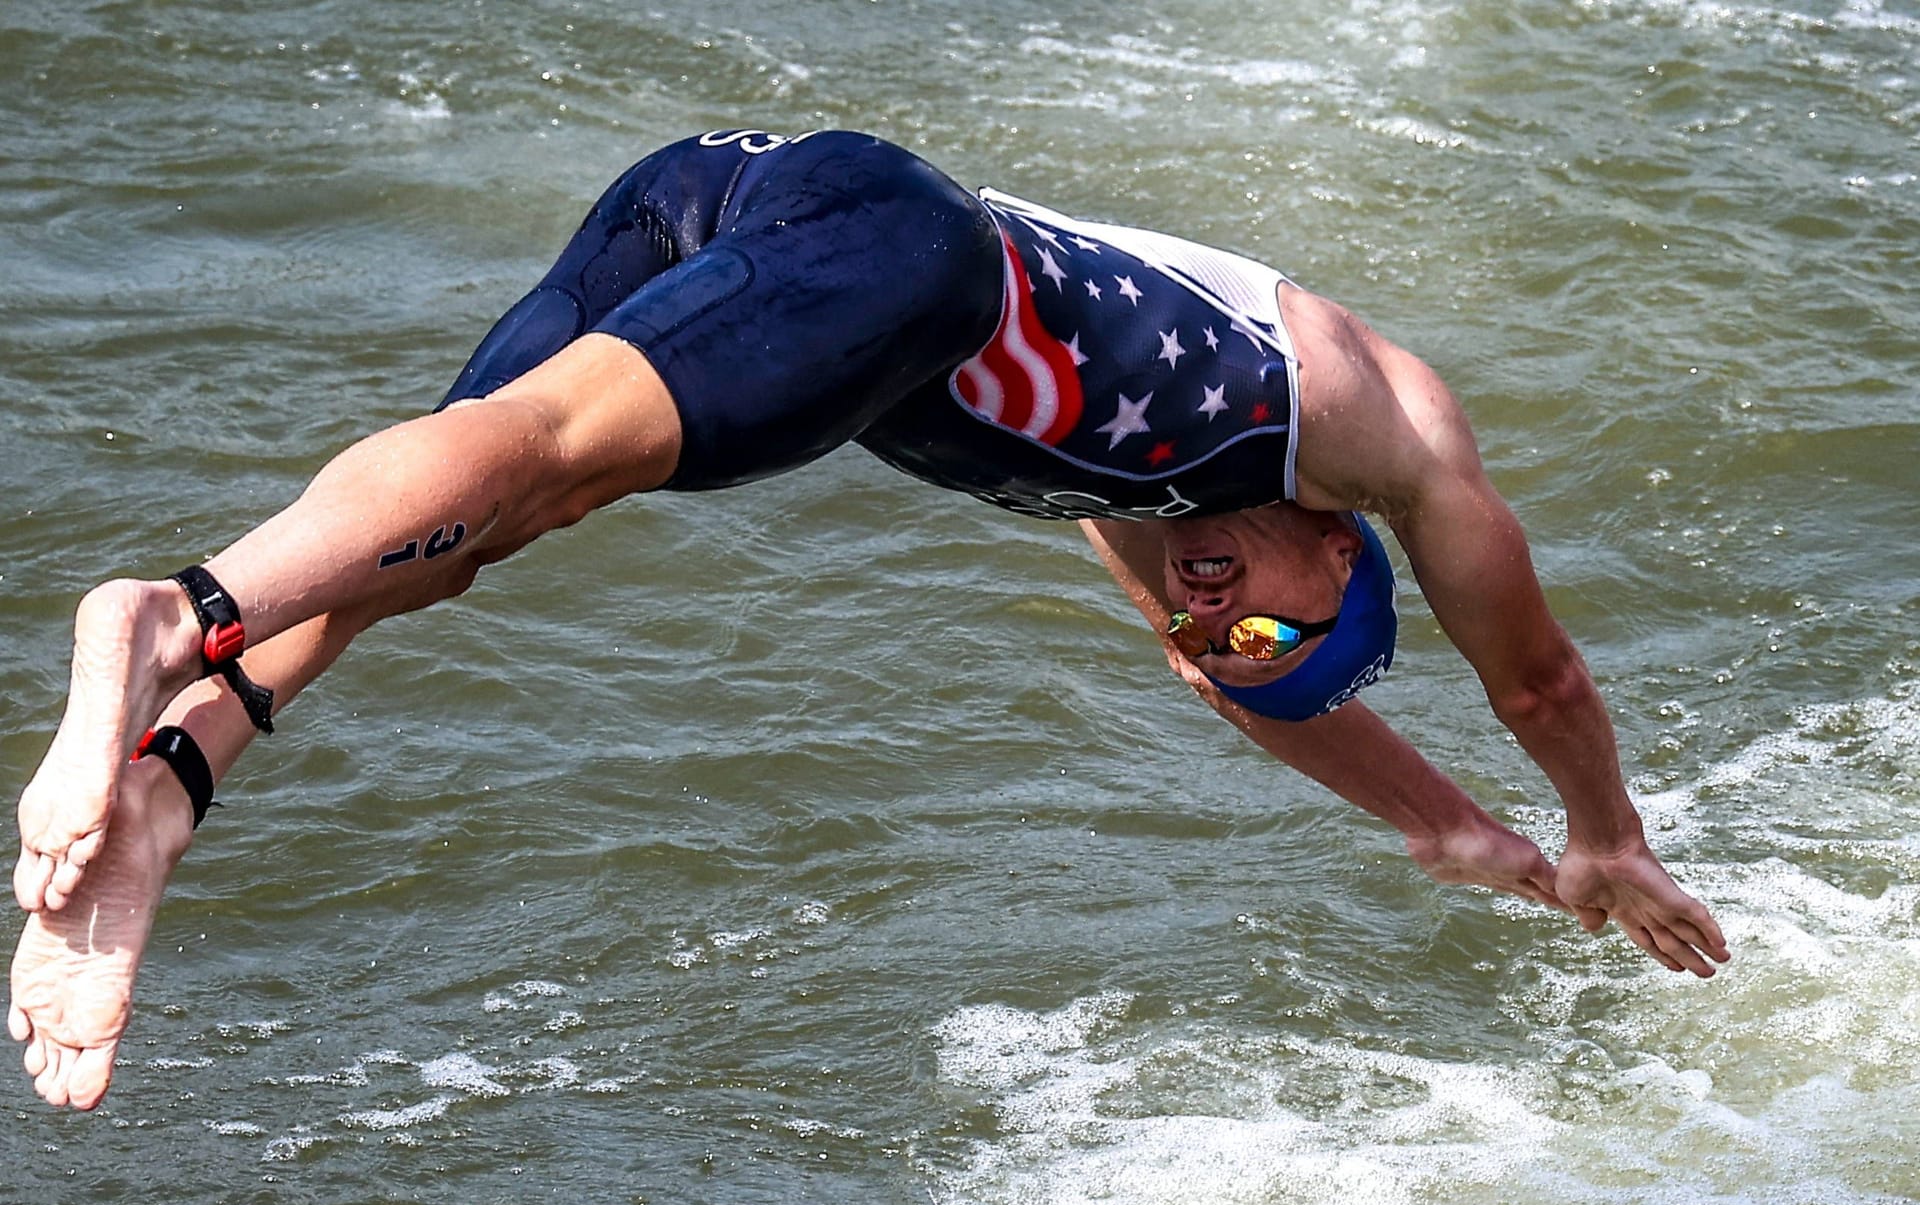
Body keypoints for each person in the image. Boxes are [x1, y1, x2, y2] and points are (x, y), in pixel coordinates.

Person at [9, 128, 1728, 1110]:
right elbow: (1545, 670)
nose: (1216, 627)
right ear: (1350, 560)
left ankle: (170, 781)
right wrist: (1602, 833)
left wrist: (1455, 837)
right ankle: (175, 606)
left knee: (444, 536)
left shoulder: (1147, 536)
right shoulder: (1382, 436)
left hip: (720, 196)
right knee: (539, 463)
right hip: (892, 248)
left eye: (1223, 651)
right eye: (1270, 626)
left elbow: (1255, 707)